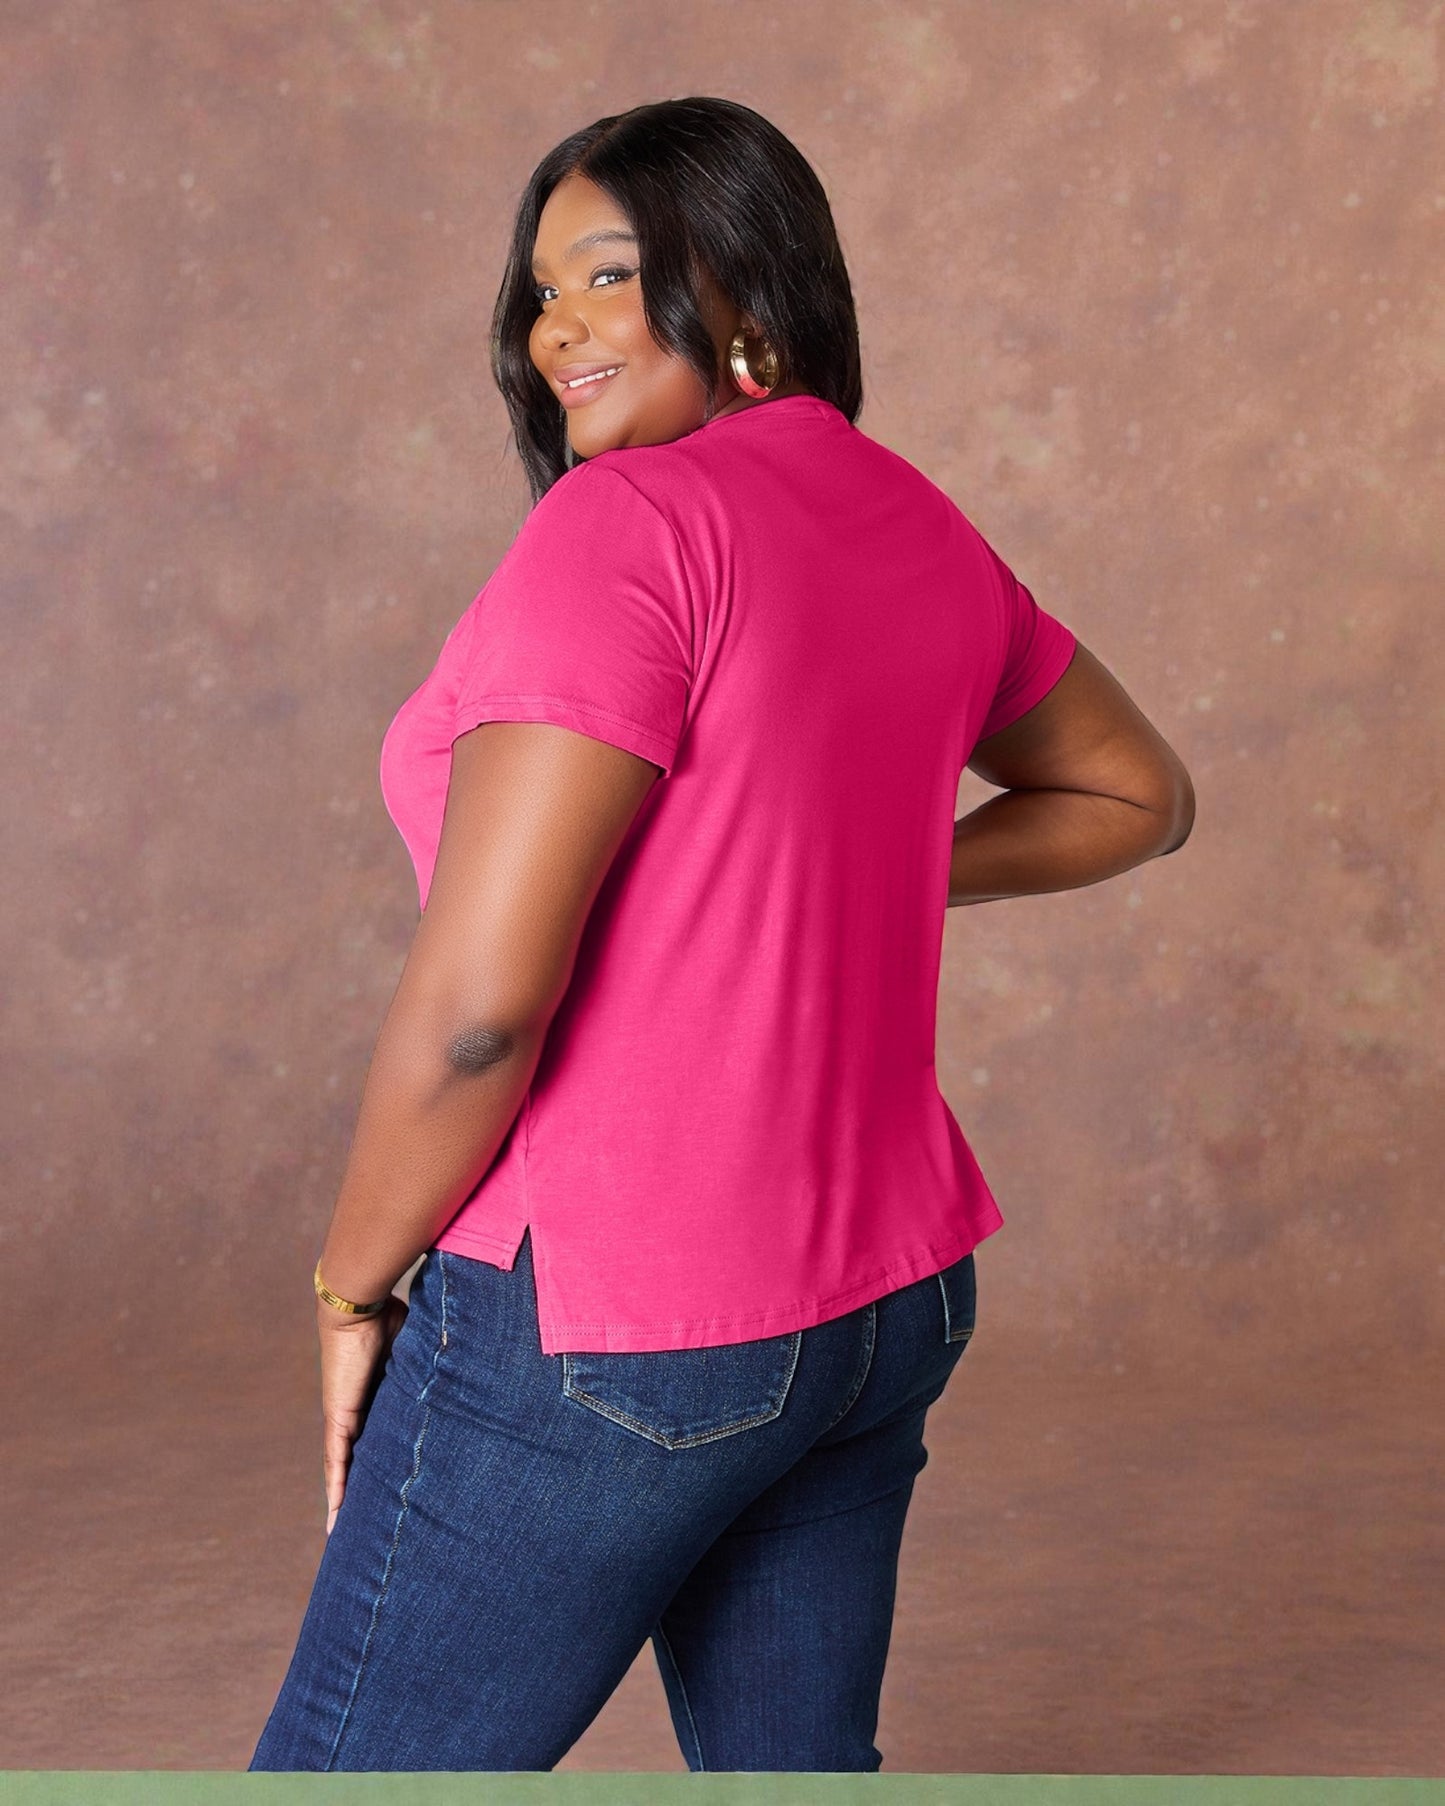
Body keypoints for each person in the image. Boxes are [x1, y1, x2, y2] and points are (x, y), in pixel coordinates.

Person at [249, 96, 1194, 1774]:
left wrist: (348, 1285)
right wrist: (819, 874)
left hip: (619, 1320)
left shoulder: (625, 528)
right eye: (541, 292)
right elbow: (1139, 793)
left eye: (608, 275)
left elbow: (478, 1013)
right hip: (881, 1303)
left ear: (745, 290)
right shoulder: (915, 521)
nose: (556, 330)